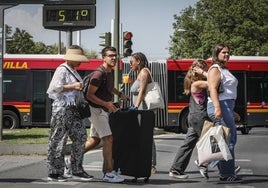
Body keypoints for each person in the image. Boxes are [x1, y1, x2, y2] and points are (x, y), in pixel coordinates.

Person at [46, 45, 93, 182]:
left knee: (81, 137)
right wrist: (73, 86)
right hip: (62, 108)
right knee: (58, 139)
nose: (80, 62)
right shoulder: (62, 70)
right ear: (71, 58)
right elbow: (53, 88)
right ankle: (54, 172)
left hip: (72, 109)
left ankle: (76, 169)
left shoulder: (72, 70)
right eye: (78, 59)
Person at [85, 46, 127, 183]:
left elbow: (109, 88)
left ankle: (70, 160)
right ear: (103, 58)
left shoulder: (109, 72)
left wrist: (120, 94)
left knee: (95, 140)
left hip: (102, 110)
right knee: (108, 139)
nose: (114, 58)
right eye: (110, 56)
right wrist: (106, 104)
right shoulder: (99, 74)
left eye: (115, 55)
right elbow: (89, 95)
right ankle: (109, 173)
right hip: (96, 110)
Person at [206, 43, 242, 183]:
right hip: (220, 105)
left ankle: (223, 171)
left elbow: (225, 92)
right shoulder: (215, 69)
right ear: (217, 54)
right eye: (223, 52)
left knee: (224, 140)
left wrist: (231, 111)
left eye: (228, 52)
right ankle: (226, 174)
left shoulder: (224, 69)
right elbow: (213, 89)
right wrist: (218, 108)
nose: (226, 54)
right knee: (229, 140)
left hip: (226, 105)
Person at [169, 59, 209, 179]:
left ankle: (176, 169)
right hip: (199, 116)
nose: (207, 71)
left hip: (194, 116)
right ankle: (210, 165)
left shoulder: (195, 83)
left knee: (188, 144)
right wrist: (206, 73)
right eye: (205, 69)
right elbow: (214, 83)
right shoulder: (197, 84)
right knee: (214, 141)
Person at [129, 52, 158, 174]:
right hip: (140, 109)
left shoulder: (144, 72)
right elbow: (138, 90)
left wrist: (135, 107)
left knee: (147, 136)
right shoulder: (139, 73)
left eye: (132, 62)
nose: (131, 65)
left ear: (138, 61)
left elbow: (142, 91)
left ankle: (151, 164)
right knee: (140, 136)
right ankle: (142, 161)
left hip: (143, 109)